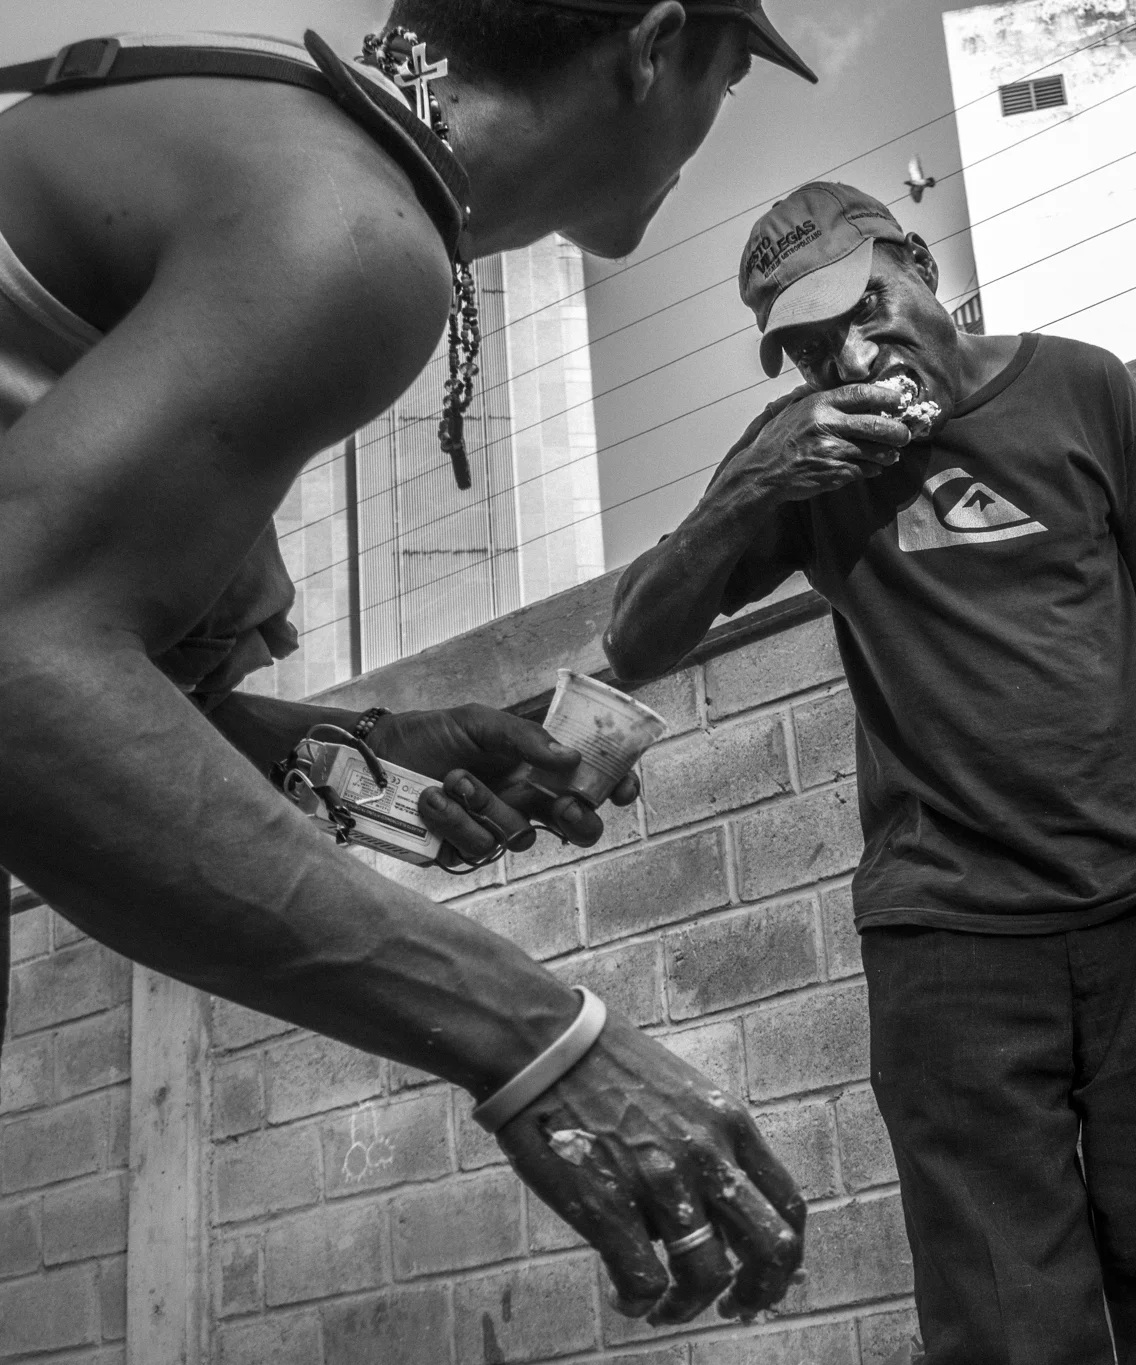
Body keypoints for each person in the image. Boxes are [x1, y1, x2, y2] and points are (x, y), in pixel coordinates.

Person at [0, 0, 817, 1326]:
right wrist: (540, 1034)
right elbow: (19, 677)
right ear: (655, 48)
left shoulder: (268, 133)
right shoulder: (348, 233)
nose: (712, 130)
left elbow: (53, 655)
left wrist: (357, 744)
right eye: (727, 79)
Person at [606, 182, 1136, 1363]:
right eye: (810, 344)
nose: (850, 350)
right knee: (1004, 1326)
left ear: (921, 265)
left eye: (864, 305)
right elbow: (637, 636)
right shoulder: (798, 460)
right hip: (953, 945)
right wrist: (754, 486)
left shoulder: (1080, 388)